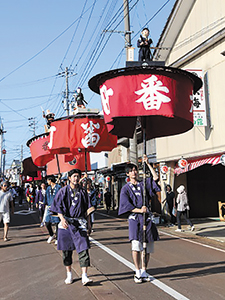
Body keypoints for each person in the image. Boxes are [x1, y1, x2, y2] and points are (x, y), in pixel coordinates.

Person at [118, 155, 160, 283]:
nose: (134, 172)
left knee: (147, 246)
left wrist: (148, 164)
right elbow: (126, 206)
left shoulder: (143, 184)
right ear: (127, 174)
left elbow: (156, 178)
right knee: (136, 246)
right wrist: (139, 210)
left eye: (135, 170)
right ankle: (137, 271)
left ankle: (144, 270)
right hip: (135, 219)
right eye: (131, 170)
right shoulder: (125, 188)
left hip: (147, 218)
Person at [50, 169, 95, 286]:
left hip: (80, 222)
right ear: (69, 178)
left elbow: (88, 209)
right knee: (66, 251)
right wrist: (62, 218)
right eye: (74, 176)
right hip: (66, 223)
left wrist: (89, 224)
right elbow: (57, 207)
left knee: (84, 249)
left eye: (77, 176)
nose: (76, 178)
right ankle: (69, 274)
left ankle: (84, 275)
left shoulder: (83, 192)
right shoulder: (62, 191)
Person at [44, 176, 61, 244]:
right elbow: (46, 197)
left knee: (57, 223)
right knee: (47, 222)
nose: (47, 182)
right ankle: (51, 234)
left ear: (50, 180)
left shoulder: (58, 187)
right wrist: (45, 205)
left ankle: (57, 238)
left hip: (56, 207)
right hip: (49, 207)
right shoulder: (48, 188)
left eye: (48, 180)